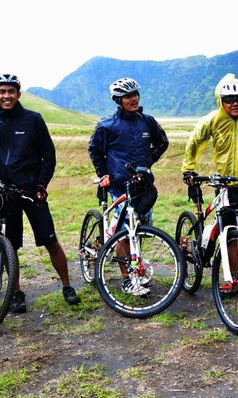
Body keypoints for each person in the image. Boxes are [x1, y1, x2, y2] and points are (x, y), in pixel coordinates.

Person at [0, 73, 80, 311]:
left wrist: (41, 184)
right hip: (4, 193)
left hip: (31, 191)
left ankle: (67, 285)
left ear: (18, 94)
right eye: (2, 92)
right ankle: (16, 292)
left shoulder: (33, 119)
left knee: (51, 241)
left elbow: (49, 155)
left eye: (11, 91)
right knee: (11, 245)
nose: (7, 96)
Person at [181, 73, 238, 308]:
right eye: (229, 98)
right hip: (224, 188)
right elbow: (194, 141)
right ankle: (235, 280)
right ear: (220, 100)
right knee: (229, 237)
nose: (234, 103)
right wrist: (189, 168)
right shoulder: (212, 120)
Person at [88, 77, 169, 295]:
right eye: (127, 96)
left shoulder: (147, 121)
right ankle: (127, 279)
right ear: (118, 100)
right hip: (119, 186)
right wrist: (103, 173)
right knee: (124, 232)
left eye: (135, 94)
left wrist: (147, 162)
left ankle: (135, 268)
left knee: (140, 230)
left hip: (143, 187)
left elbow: (163, 142)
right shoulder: (107, 125)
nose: (132, 99)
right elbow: (94, 150)